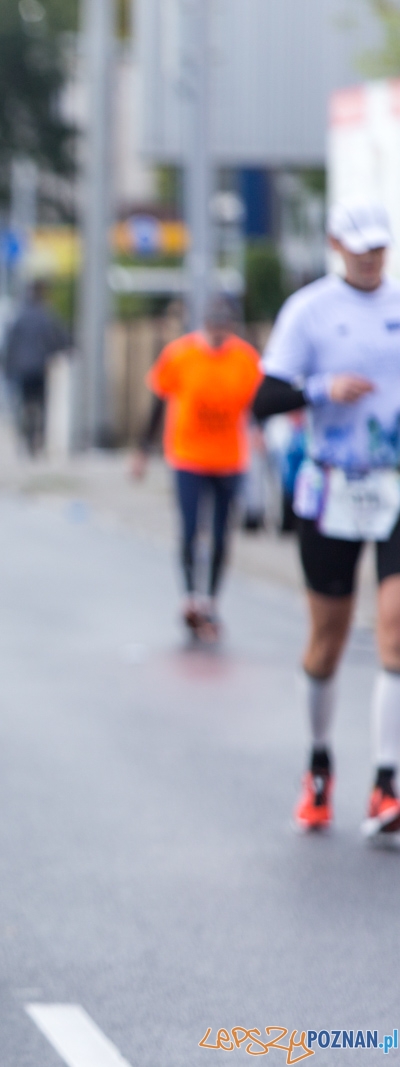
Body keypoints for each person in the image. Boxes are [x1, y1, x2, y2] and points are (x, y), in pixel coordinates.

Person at [252, 202, 400, 838]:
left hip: (394, 485)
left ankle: (387, 783)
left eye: (380, 248)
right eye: (360, 247)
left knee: (395, 628)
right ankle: (318, 766)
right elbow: (264, 398)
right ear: (337, 244)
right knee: (328, 639)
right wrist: (321, 389)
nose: (370, 258)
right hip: (331, 487)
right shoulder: (308, 311)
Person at [131, 295, 262, 641]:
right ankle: (190, 597)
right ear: (205, 325)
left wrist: (260, 431)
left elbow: (258, 402)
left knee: (220, 534)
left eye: (226, 326)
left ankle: (211, 601)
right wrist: (143, 450)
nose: (220, 333)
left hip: (230, 459)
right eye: (214, 326)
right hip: (187, 455)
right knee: (190, 528)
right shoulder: (180, 355)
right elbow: (159, 402)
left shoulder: (245, 359)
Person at [4, 281, 70, 458]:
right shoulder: (46, 316)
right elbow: (58, 338)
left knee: (24, 402)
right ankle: (37, 437)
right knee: (41, 403)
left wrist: (8, 367)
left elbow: (10, 343)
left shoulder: (20, 316)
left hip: (21, 368)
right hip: (40, 366)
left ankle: (25, 435)